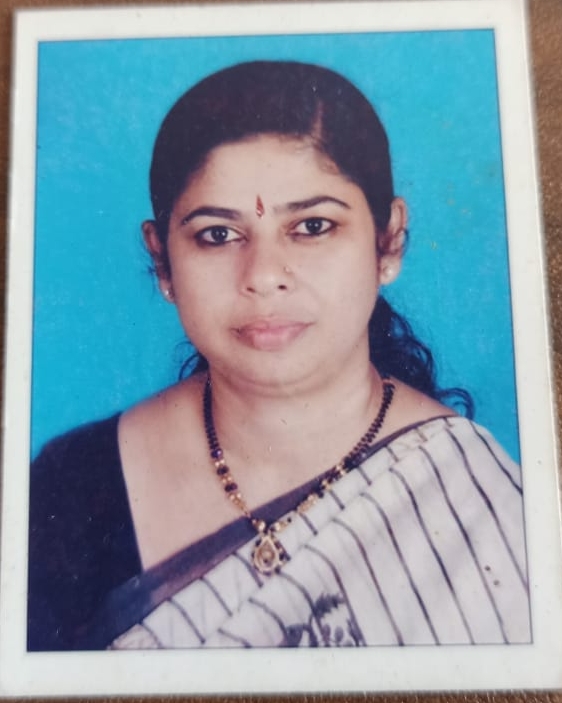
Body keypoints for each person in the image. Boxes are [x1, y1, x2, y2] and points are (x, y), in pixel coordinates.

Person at [28, 60, 530, 650]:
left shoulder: (479, 507)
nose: (264, 276)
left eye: (313, 226)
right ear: (163, 260)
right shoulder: (72, 487)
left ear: (388, 240)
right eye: (218, 234)